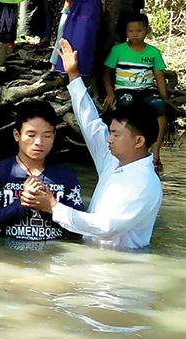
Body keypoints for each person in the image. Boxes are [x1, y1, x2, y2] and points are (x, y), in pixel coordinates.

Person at [25, 39, 163, 249]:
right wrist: (73, 75)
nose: (108, 138)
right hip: (93, 258)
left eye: (115, 134)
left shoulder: (145, 183)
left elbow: (107, 227)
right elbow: (90, 123)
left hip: (121, 269)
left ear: (139, 141)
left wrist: (53, 206)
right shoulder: (113, 160)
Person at [0, 101, 84, 242]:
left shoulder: (66, 176)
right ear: (17, 135)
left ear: (54, 136)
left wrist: (51, 207)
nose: (39, 142)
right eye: (31, 135)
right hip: (10, 258)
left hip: (51, 259)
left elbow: (81, 227)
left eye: (46, 135)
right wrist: (22, 204)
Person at [102, 12, 172, 172]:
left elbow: (159, 76)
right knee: (125, 109)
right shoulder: (118, 50)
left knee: (160, 109)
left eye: (139, 31)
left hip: (147, 90)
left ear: (147, 30)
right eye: (131, 31)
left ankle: (155, 153)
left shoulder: (153, 52)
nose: (135, 35)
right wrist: (110, 93)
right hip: (125, 89)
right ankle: (124, 152)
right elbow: (106, 72)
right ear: (125, 32)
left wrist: (165, 98)